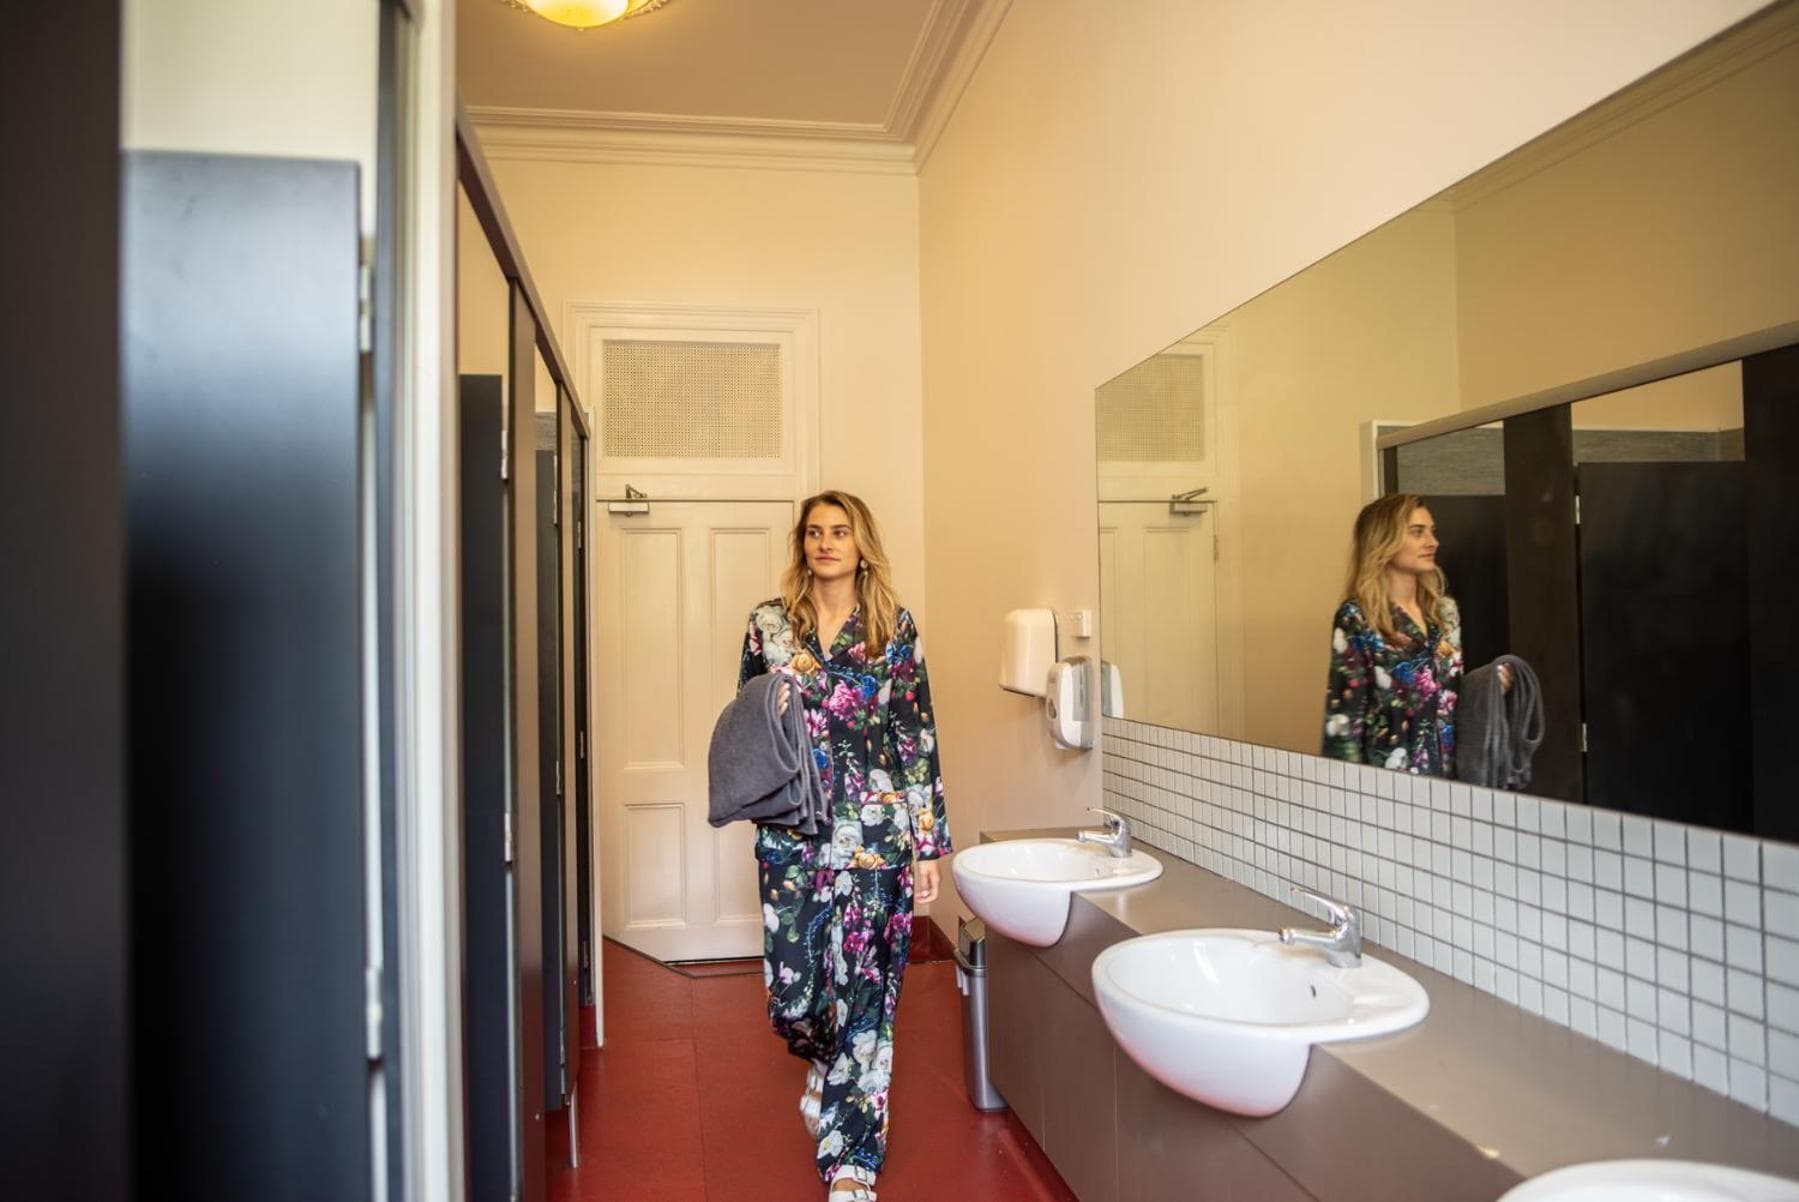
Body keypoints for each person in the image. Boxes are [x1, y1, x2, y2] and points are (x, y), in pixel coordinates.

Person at [737, 490, 949, 1201]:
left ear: (861, 546)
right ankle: (823, 1062)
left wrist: (927, 844)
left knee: (867, 996)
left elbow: (915, 736)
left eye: (839, 531)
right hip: (791, 837)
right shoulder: (768, 625)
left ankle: (852, 1159)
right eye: (814, 532)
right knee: (792, 997)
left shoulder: (893, 627)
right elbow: (750, 725)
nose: (825, 542)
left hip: (876, 839)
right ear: (802, 544)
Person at [1322, 492, 1465, 776]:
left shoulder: (1445, 614)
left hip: (1450, 781)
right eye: (1417, 532)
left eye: (1432, 531)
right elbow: (1344, 721)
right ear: (1384, 540)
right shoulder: (1358, 618)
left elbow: (1452, 695)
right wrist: (1343, 793)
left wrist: (1495, 682)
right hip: (1387, 784)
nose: (1433, 542)